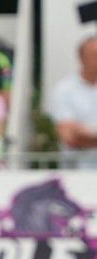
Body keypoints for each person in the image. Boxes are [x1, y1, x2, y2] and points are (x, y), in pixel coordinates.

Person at [49, 36, 97, 169]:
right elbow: (69, 136)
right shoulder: (64, 90)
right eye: (93, 55)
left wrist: (86, 134)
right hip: (77, 173)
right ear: (81, 59)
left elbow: (78, 134)